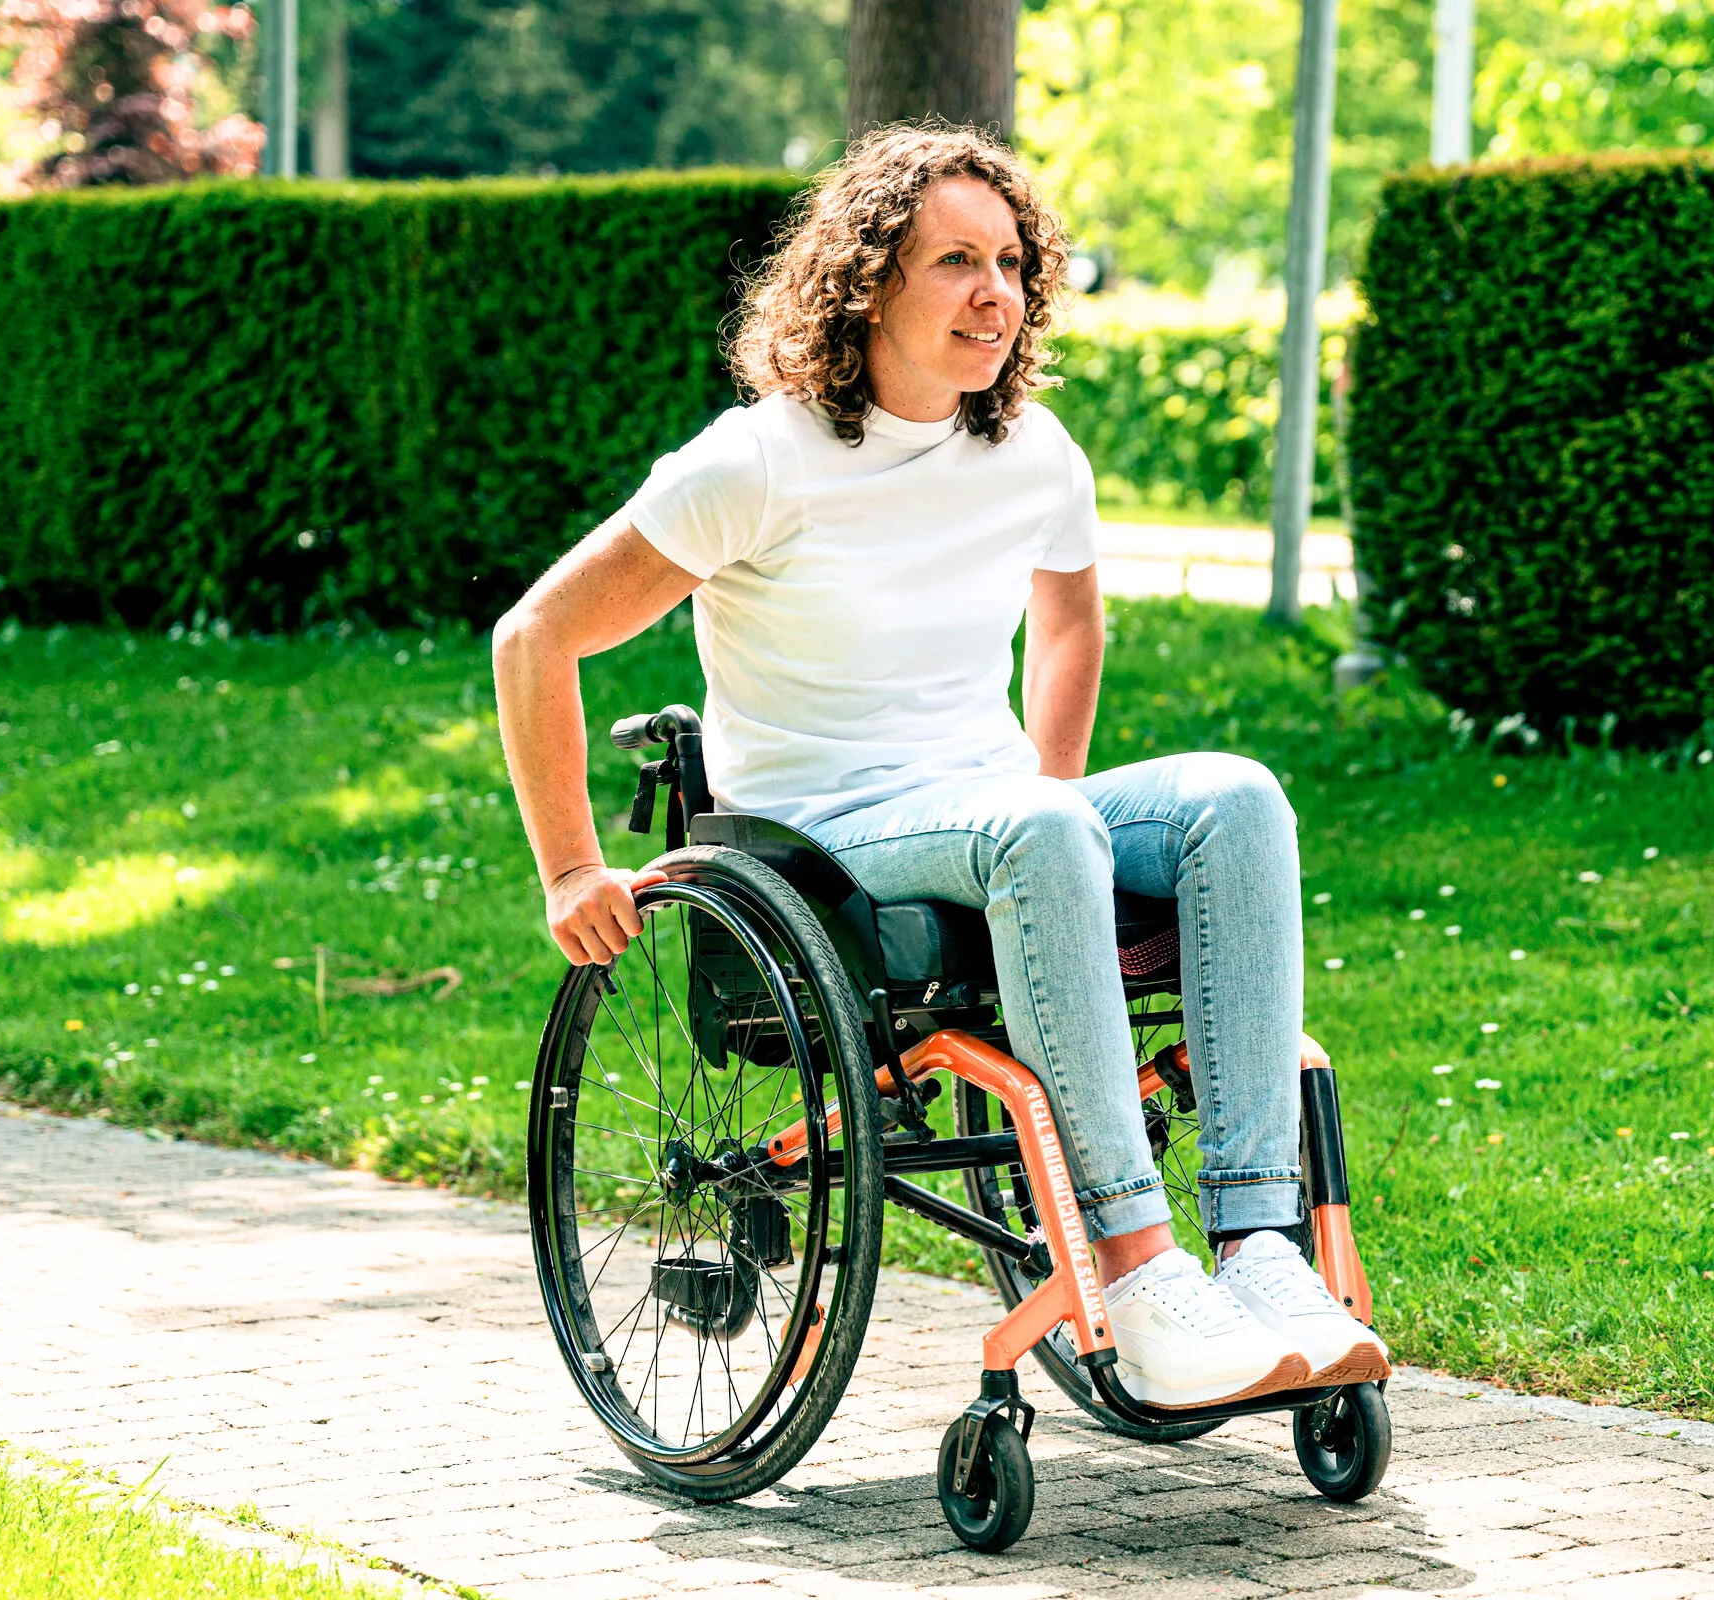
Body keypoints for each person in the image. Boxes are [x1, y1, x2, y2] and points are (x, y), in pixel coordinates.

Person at [491, 124, 1387, 1409]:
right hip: (824, 836)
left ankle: (1258, 1248)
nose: (996, 294)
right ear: (866, 281)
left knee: (1235, 796)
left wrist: (1058, 791)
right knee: (1038, 829)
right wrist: (571, 862)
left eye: (1013, 263)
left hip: (990, 810)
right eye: (955, 261)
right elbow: (538, 635)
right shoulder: (759, 459)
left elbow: (1071, 618)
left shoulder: (1029, 452)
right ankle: (1139, 1270)